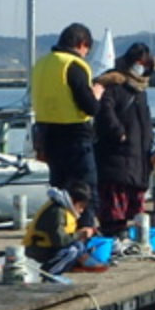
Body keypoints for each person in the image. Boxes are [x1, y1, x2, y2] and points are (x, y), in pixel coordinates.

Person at [31, 22, 103, 225]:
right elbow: (90, 107)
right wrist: (96, 94)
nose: (86, 55)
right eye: (87, 50)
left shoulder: (42, 64)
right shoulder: (73, 64)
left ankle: (60, 230)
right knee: (84, 189)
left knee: (59, 191)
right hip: (75, 135)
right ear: (81, 44)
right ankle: (86, 234)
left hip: (47, 135)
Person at [93, 42, 155, 238]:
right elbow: (104, 111)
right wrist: (118, 131)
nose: (141, 68)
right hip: (117, 154)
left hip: (138, 154)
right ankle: (114, 234)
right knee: (114, 199)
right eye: (139, 63)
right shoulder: (114, 83)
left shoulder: (140, 90)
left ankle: (130, 235)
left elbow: (145, 119)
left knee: (134, 201)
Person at [23, 181, 96, 274]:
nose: (81, 211)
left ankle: (57, 269)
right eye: (81, 206)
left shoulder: (62, 207)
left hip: (47, 247)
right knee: (74, 249)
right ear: (73, 201)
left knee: (82, 248)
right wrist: (80, 234)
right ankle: (48, 272)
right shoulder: (57, 212)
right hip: (38, 250)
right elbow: (59, 240)